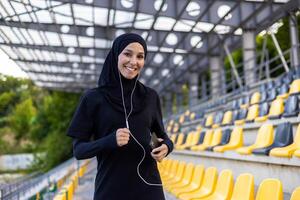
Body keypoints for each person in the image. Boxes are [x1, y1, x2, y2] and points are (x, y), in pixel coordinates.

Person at [67, 33, 174, 200]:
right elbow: (79, 150)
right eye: (127, 54)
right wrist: (110, 141)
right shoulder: (93, 98)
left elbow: (159, 137)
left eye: (140, 56)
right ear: (116, 56)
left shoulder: (150, 96)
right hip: (111, 189)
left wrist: (167, 147)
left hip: (149, 187)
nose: (133, 61)